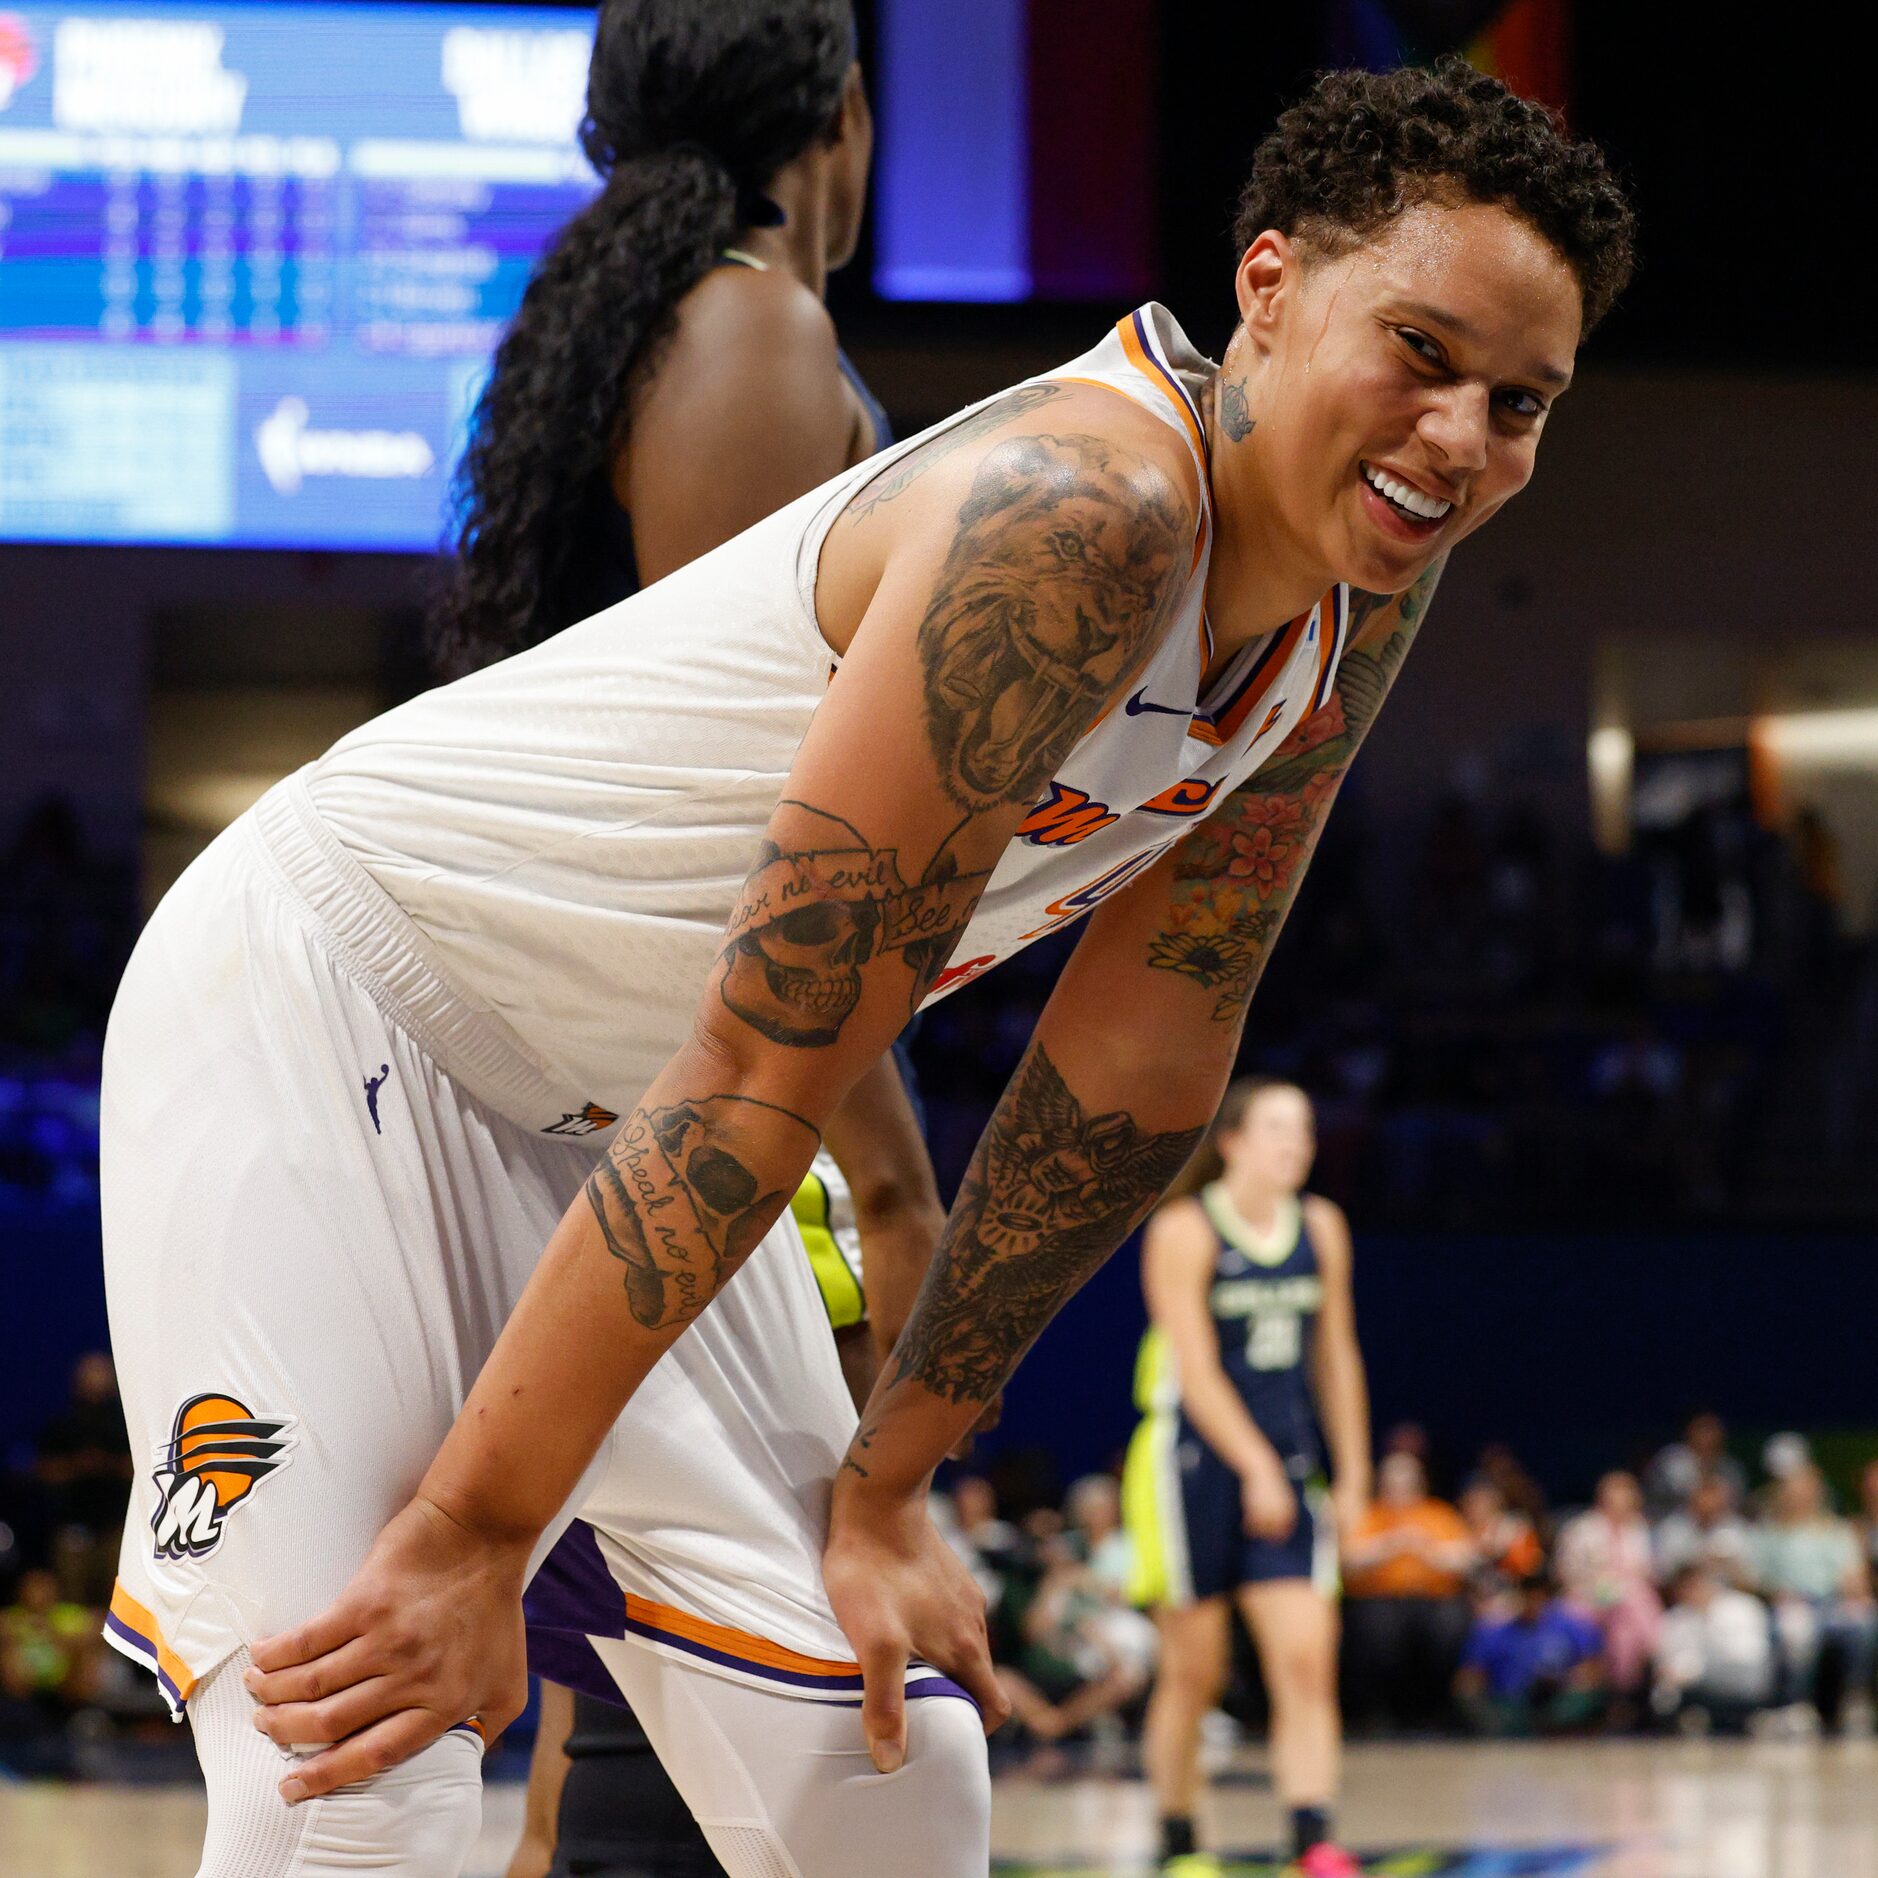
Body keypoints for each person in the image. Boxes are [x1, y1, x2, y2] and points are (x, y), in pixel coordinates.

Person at [99, 56, 1632, 1878]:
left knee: (885, 1766)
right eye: (1423, 352)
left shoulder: (1355, 584)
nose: (1459, 439)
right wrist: (469, 1530)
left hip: (613, 1108)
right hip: (331, 989)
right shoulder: (1080, 508)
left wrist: (891, 1475)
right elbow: (764, 1068)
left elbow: (1144, 1051)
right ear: (1270, 285)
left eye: (1518, 401)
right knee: (361, 1769)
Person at [421, 10, 942, 1874]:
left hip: (642, 1078)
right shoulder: (752, 328)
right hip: (707, 1096)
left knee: (624, 1717)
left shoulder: (665, 322)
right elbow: (768, 827)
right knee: (800, 1735)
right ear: (845, 113)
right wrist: (892, 1179)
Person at [1124, 1079, 1370, 1877]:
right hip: (1190, 1463)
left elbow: (1335, 1358)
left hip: (1287, 1462)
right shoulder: (1185, 1230)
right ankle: (1179, 1836)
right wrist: (1255, 1467)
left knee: (1305, 1656)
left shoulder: (1322, 1228)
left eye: (1303, 1129)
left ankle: (1313, 1836)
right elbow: (1194, 1370)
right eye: (1276, 1128)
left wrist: (1356, 1477)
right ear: (1230, 1139)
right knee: (1196, 1672)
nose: (1295, 1144)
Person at [1341, 1452, 1477, 1731]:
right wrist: (1389, 1545)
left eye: (1406, 1481)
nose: (1399, 1488)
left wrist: (1425, 1547)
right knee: (1379, 1630)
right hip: (1377, 1600)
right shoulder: (1368, 1515)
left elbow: (1467, 1559)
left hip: (1433, 1601)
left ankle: (1434, 1711)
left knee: (1447, 1626)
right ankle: (1381, 1714)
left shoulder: (1439, 1515)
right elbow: (1347, 1561)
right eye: (1392, 1481)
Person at [1554, 1471, 1662, 1704]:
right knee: (1634, 1602)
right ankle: (1659, 1658)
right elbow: (1565, 1572)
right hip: (1585, 1597)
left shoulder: (1638, 1530)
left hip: (1624, 1604)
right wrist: (1602, 1584)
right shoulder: (1582, 1528)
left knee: (1626, 1629)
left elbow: (1647, 1572)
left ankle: (1622, 1694)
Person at [1455, 1570, 1604, 1737]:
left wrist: (1568, 1681)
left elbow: (1593, 1669)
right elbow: (1469, 1678)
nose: (1533, 1603)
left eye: (1539, 1597)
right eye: (1528, 1596)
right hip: (1510, 1706)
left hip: (1558, 1704)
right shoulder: (1492, 1631)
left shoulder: (1572, 1628)